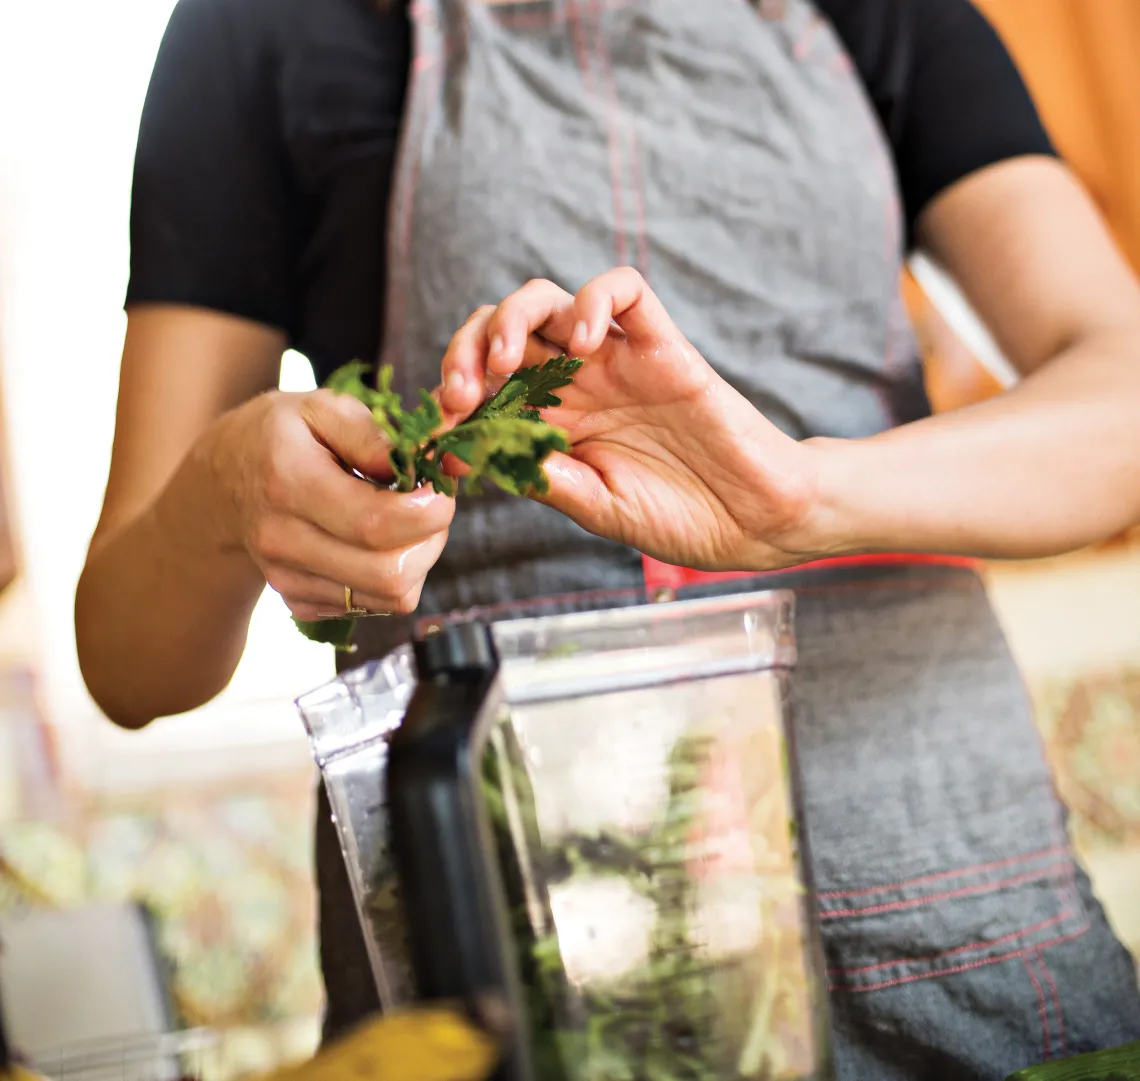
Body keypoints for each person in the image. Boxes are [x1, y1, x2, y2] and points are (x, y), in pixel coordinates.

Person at [75, 0, 1140, 1076]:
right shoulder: (257, 32)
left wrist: (803, 496)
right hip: (493, 980)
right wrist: (217, 495)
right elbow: (127, 663)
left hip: (964, 919)